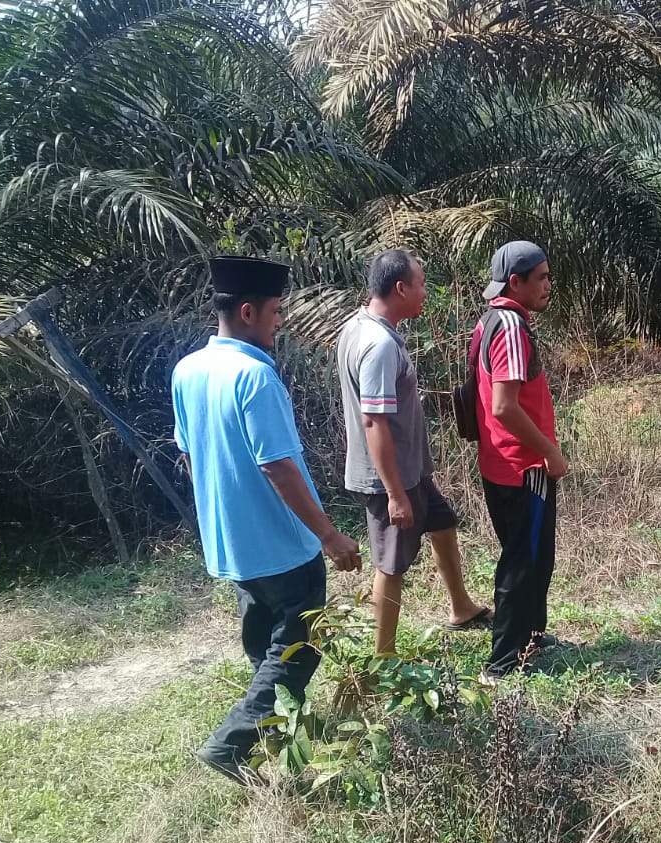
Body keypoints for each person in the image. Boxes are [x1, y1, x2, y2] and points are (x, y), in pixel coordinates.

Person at [172, 256, 362, 784]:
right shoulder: (255, 376)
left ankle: (268, 743)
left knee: (264, 641)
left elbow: (189, 455)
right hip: (282, 544)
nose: (281, 322)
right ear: (249, 311)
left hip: (230, 543)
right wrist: (328, 534)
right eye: (276, 312)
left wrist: (221, 510)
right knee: (298, 648)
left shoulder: (188, 370)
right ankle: (233, 745)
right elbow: (276, 463)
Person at [337, 249, 490, 656]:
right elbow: (374, 422)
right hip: (392, 477)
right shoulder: (378, 345)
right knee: (391, 564)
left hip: (411, 470)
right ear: (400, 288)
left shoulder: (358, 326)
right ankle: (383, 656)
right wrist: (394, 494)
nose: (426, 291)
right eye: (421, 284)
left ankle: (461, 607)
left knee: (442, 523)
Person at [470, 241, 566, 683]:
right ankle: (503, 663)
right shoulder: (509, 325)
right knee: (521, 560)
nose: (548, 285)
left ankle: (531, 636)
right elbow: (504, 406)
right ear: (516, 282)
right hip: (522, 466)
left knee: (534, 554)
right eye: (541, 277)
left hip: (504, 462)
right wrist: (549, 451)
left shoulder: (494, 318)